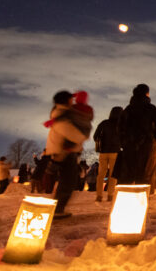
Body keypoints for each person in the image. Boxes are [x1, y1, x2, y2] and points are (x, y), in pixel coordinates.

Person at [45, 90, 93, 218]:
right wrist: (83, 136)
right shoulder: (61, 115)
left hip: (65, 151)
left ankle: (57, 208)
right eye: (70, 99)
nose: (72, 101)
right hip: (65, 151)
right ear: (66, 100)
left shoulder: (63, 113)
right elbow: (72, 133)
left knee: (67, 181)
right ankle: (57, 209)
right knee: (68, 181)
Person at [117, 84, 156, 185]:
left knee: (129, 173)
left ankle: (127, 197)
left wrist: (123, 142)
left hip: (129, 144)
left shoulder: (128, 109)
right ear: (146, 94)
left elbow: (120, 127)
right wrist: (153, 137)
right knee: (144, 173)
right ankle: (141, 196)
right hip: (146, 144)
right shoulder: (151, 108)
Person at [93, 106, 122, 201]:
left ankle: (99, 195)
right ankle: (110, 195)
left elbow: (95, 136)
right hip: (115, 152)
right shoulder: (121, 124)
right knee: (113, 175)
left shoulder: (104, 123)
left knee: (101, 174)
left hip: (103, 152)